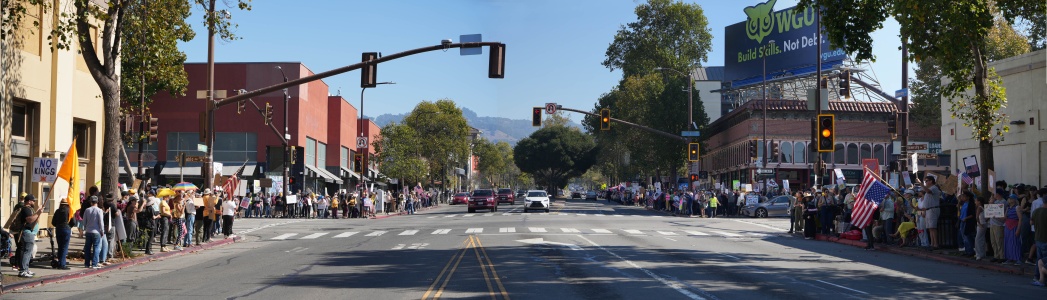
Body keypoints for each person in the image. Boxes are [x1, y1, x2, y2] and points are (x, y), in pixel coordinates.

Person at [82, 196, 104, 269]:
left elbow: (84, 221)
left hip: (88, 231)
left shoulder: (87, 210)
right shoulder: (99, 210)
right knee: (96, 247)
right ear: (97, 202)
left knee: (87, 248)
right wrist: (102, 231)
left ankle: (87, 263)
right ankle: (94, 263)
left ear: (91, 202)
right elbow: (101, 222)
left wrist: (85, 228)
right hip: (96, 231)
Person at [52, 197, 73, 270]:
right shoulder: (69, 211)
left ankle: (60, 262)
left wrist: (58, 225)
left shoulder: (57, 211)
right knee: (64, 247)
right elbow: (73, 222)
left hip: (58, 229)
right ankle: (62, 264)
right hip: (66, 228)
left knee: (60, 246)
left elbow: (53, 222)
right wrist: (69, 226)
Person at [1004, 195, 1023, 265]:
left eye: (1011, 198)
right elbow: (1004, 218)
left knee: (1015, 242)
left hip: (1014, 226)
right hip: (1007, 226)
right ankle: (1009, 258)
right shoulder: (1008, 208)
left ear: (1014, 200)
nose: (1009, 199)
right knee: (1008, 242)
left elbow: (1020, 219)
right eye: (1009, 198)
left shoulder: (1017, 207)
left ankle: (1018, 259)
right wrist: (995, 215)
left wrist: (1018, 229)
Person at [990, 189, 1008, 263]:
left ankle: (1002, 256)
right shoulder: (996, 201)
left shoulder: (1003, 202)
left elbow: (997, 210)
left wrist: (992, 202)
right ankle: (996, 255)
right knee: (993, 241)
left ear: (998, 194)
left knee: (999, 240)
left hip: (999, 223)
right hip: (992, 223)